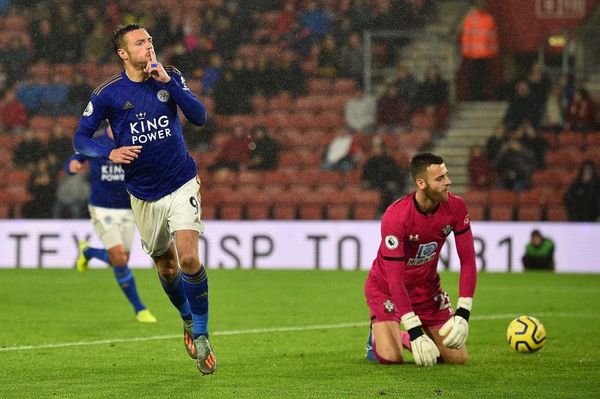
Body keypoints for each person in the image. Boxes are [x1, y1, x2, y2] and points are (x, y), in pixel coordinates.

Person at [72, 23, 217, 375]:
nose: (149, 46)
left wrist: (170, 84)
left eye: (150, 40)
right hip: (144, 194)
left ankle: (201, 333)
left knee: (189, 260)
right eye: (140, 42)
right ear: (123, 53)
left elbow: (199, 117)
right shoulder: (108, 94)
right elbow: (80, 140)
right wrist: (110, 152)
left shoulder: (170, 76)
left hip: (182, 181)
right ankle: (186, 318)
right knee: (167, 269)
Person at [364, 152, 477, 367]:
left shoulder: (456, 207)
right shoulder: (396, 217)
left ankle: (402, 335)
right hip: (386, 289)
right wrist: (414, 331)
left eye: (446, 175)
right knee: (392, 358)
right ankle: (387, 337)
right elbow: (395, 279)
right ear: (421, 183)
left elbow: (468, 261)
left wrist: (463, 312)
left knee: (457, 358)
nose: (448, 182)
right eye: (440, 178)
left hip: (427, 291)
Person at [68, 126, 157, 323]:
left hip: (128, 208)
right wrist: (73, 164)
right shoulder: (97, 141)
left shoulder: (135, 138)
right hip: (102, 207)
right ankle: (140, 308)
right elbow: (76, 157)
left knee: (122, 258)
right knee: (118, 257)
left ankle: (88, 252)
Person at [460, 0, 499, 101]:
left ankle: (482, 97)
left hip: (485, 55)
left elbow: (492, 37)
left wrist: (493, 51)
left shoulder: (489, 19)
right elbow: (466, 37)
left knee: (483, 78)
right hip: (474, 55)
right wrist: (466, 52)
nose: (482, 6)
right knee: (474, 79)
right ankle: (475, 98)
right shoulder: (470, 19)